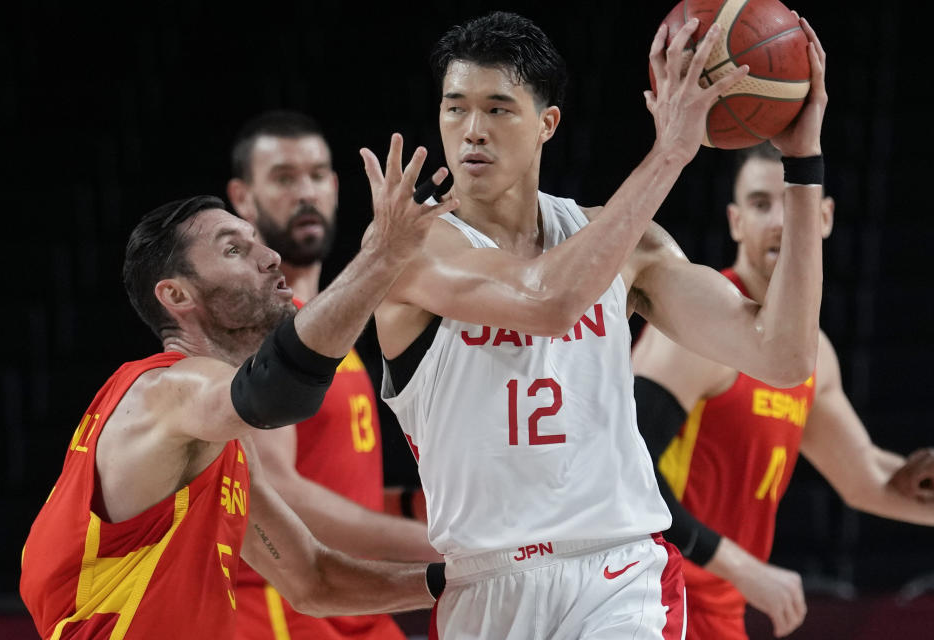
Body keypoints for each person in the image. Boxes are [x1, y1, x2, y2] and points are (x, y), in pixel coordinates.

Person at [369, 10, 826, 640]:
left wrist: (803, 166)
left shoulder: (624, 246)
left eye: (498, 108)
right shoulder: (410, 247)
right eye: (456, 108)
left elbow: (783, 356)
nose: (472, 129)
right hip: (485, 583)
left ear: (546, 123)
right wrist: (668, 154)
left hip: (621, 573)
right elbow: (549, 302)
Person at [19, 144, 457, 640]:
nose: (270, 257)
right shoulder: (163, 392)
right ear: (177, 295)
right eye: (234, 250)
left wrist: (458, 579)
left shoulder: (218, 442)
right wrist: (382, 256)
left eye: (256, 242)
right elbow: (279, 393)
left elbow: (313, 580)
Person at [630, 140, 934, 639]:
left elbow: (868, 477)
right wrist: (745, 568)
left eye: (791, 204)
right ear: (735, 222)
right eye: (759, 204)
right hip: (658, 595)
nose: (776, 221)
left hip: (720, 610)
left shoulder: (814, 356)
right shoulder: (696, 330)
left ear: (825, 217)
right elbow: (625, 465)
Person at [226, 110, 437, 640]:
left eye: (317, 175)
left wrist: (419, 509)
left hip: (358, 604)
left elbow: (339, 479)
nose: (306, 192)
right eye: (283, 178)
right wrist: (443, 543)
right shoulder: (256, 326)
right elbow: (279, 492)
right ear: (243, 198)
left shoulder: (325, 323)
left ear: (337, 188)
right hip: (286, 610)